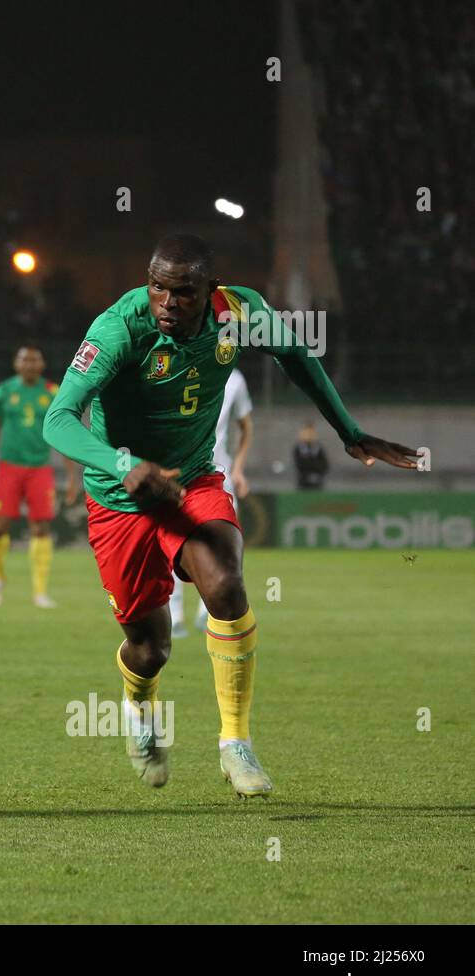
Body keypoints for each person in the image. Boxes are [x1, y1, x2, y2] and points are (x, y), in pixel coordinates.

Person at [43, 234, 418, 798]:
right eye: (158, 288)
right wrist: (123, 464)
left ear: (210, 291)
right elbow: (58, 418)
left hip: (193, 479)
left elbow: (297, 357)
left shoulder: (239, 312)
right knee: (151, 648)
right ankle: (139, 711)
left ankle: (235, 742)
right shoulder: (118, 328)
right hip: (121, 497)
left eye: (183, 292)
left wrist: (349, 431)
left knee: (224, 583)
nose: (167, 302)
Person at [0, 344, 79, 608]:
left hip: (39, 469)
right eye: (25, 360)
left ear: (42, 365)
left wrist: (71, 476)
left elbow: (64, 433)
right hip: (8, 468)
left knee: (41, 528)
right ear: (16, 364)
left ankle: (39, 591)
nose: (30, 364)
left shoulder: (52, 392)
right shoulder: (3, 392)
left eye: (35, 360)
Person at [169, 367, 253, 638]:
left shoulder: (235, 378)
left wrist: (239, 469)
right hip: (176, 473)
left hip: (220, 474)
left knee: (225, 549)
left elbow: (246, 426)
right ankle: (174, 613)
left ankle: (209, 612)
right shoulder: (175, 363)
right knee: (172, 544)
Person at [294, 422, 329, 489]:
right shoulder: (299, 448)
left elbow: (325, 465)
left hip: (318, 480)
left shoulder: (318, 448)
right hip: (303, 481)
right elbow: (299, 464)